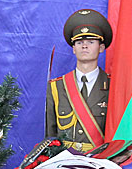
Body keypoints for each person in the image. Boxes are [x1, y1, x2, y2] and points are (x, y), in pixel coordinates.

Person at [45, 8, 112, 150]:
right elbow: (50, 135)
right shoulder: (56, 87)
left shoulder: (113, 86)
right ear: (73, 48)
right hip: (65, 161)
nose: (85, 46)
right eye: (79, 42)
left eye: (91, 41)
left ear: (101, 48)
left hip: (99, 162)